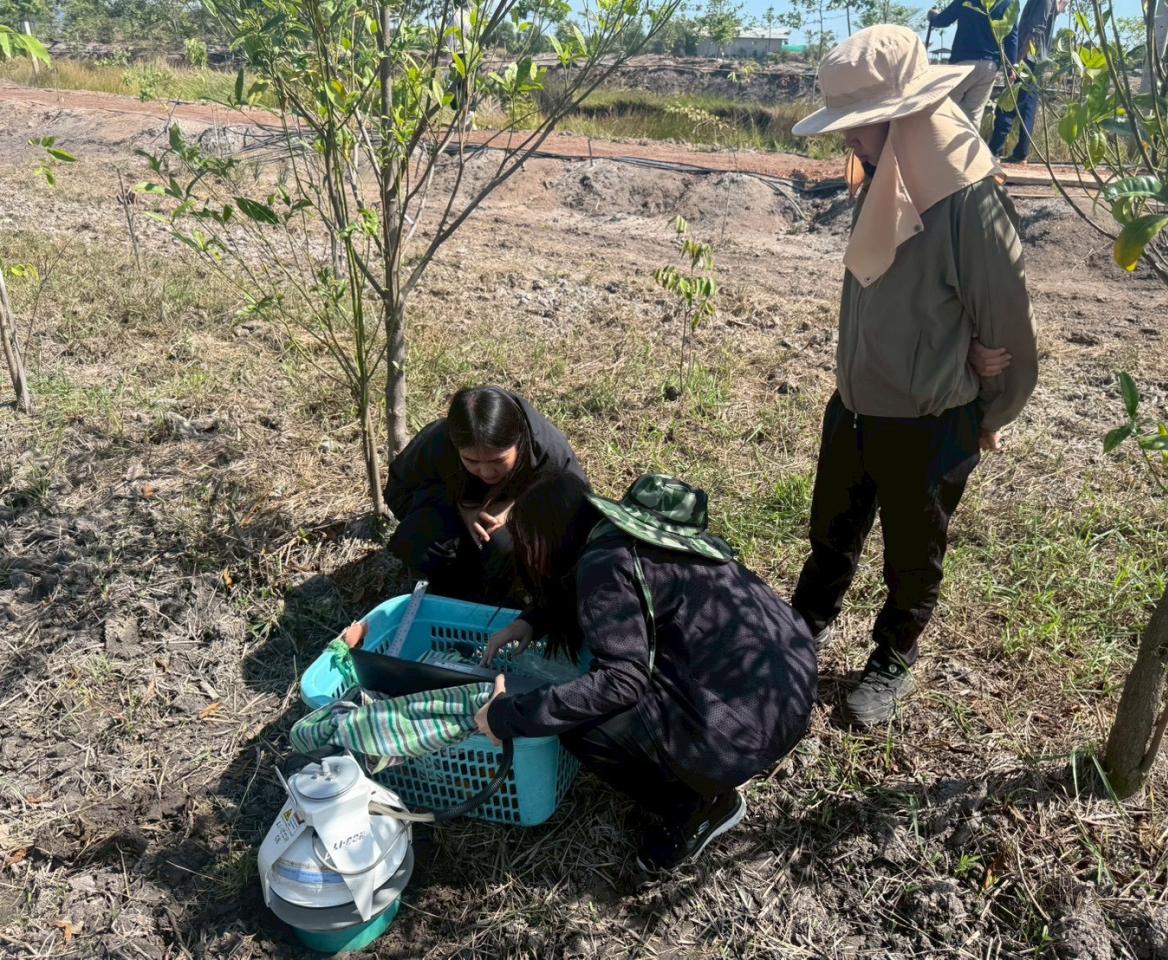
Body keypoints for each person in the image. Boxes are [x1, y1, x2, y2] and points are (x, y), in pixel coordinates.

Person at [788, 26, 1037, 726]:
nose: (848, 143)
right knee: (832, 529)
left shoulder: (967, 201)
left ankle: (894, 654)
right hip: (857, 406)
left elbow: (1008, 329)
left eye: (858, 127)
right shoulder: (890, 170)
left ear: (904, 114)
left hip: (929, 422)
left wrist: (986, 415)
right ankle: (805, 623)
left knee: (912, 552)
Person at [473, 472, 816, 872]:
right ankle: (708, 771)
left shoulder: (602, 563)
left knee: (583, 726)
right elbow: (630, 599)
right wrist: (534, 620)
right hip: (790, 692)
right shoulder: (643, 542)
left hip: (741, 730)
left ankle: (698, 808)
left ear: (547, 539)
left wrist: (507, 715)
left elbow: (621, 683)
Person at [383, 386, 584, 606]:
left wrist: (518, 510)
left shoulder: (548, 449)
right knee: (416, 536)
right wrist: (462, 509)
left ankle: (512, 598)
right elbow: (398, 492)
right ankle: (456, 595)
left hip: (517, 529)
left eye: (498, 461)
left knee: (505, 545)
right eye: (471, 461)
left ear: (518, 441)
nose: (486, 473)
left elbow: (578, 507)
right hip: (455, 518)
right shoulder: (438, 441)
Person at [988, 0, 1069, 163]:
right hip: (1037, 60)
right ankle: (1020, 153)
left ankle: (994, 151)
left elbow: (1035, 32)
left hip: (1028, 59)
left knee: (1008, 104)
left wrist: (1017, 60)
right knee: (1027, 108)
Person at [927, 0, 1018, 131]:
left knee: (946, 109)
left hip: (963, 63)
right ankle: (965, 149)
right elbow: (1012, 36)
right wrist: (1012, 66)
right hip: (989, 66)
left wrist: (932, 16)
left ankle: (937, 148)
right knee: (973, 116)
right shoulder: (1008, 3)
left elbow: (943, 20)